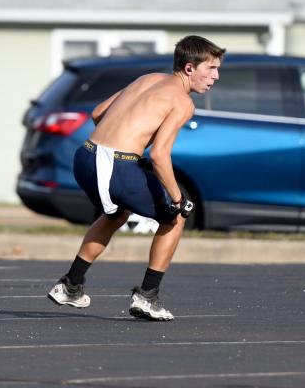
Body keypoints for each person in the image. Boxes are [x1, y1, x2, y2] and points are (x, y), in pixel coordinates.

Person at [47, 35, 224, 321]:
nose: (216, 76)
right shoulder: (182, 102)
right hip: (116, 166)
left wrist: (126, 135)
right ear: (189, 68)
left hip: (85, 157)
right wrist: (179, 199)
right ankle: (147, 297)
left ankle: (70, 285)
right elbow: (159, 156)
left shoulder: (148, 78)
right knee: (175, 218)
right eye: (211, 68)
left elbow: (97, 113)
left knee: (116, 214)